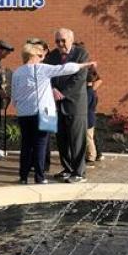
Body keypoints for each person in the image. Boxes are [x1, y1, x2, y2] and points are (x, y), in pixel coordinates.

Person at [11, 42, 97, 185]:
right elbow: (65, 69)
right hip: (45, 112)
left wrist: (20, 105)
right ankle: (40, 177)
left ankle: (23, 177)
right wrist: (85, 64)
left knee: (26, 145)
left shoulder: (17, 72)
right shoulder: (42, 69)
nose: (42, 58)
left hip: (23, 113)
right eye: (40, 55)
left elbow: (14, 95)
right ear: (33, 56)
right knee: (41, 145)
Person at [43, 28, 90, 182]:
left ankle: (79, 172)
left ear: (71, 39)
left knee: (76, 140)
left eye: (63, 40)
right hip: (56, 105)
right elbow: (46, 74)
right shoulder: (52, 56)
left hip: (75, 105)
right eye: (57, 41)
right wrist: (53, 89)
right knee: (61, 138)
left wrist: (62, 93)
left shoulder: (81, 54)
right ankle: (68, 168)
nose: (60, 44)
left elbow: (79, 78)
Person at [85, 64, 103, 166]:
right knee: (90, 137)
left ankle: (92, 156)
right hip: (91, 116)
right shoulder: (92, 92)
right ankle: (93, 154)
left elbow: (86, 104)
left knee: (89, 138)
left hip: (88, 117)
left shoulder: (88, 92)